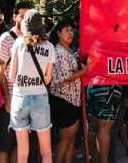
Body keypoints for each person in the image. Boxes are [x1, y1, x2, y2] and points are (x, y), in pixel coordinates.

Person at [9, 9, 55, 163]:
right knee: (46, 152)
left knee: (22, 153)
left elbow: (11, 77)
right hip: (39, 99)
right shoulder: (49, 47)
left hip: (19, 99)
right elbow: (48, 79)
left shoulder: (17, 43)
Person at [0, 1, 32, 163]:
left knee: (20, 147)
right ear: (15, 17)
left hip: (27, 101)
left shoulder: (31, 40)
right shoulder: (5, 39)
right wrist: (7, 98)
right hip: (10, 101)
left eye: (28, 17)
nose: (25, 20)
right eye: (22, 16)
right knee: (5, 145)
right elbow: (0, 71)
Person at [48, 19, 87, 163]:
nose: (70, 33)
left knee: (71, 138)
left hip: (73, 100)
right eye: (67, 30)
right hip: (62, 99)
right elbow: (67, 77)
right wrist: (84, 71)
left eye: (71, 30)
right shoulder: (59, 51)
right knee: (65, 139)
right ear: (59, 33)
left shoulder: (68, 50)